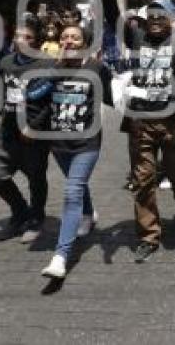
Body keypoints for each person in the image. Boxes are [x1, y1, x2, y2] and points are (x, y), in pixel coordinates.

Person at [103, 0, 175, 264]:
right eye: (152, 15)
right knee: (143, 180)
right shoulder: (135, 39)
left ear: (173, 21)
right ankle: (149, 235)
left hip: (174, 123)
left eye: (163, 15)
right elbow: (112, 16)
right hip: (140, 124)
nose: (157, 19)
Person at [39, 23, 114, 279]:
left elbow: (111, 98)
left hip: (87, 142)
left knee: (72, 191)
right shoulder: (51, 67)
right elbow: (34, 94)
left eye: (75, 37)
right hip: (58, 142)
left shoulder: (96, 67)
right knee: (77, 184)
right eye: (64, 37)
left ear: (84, 43)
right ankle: (88, 214)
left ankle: (61, 256)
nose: (69, 41)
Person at [0, 20, 54, 243]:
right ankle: (19, 210)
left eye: (28, 38)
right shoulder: (5, 62)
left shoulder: (48, 65)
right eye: (17, 36)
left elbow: (52, 102)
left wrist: (33, 126)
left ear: (38, 42)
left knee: (35, 177)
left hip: (35, 133)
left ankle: (36, 218)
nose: (20, 41)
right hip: (8, 130)